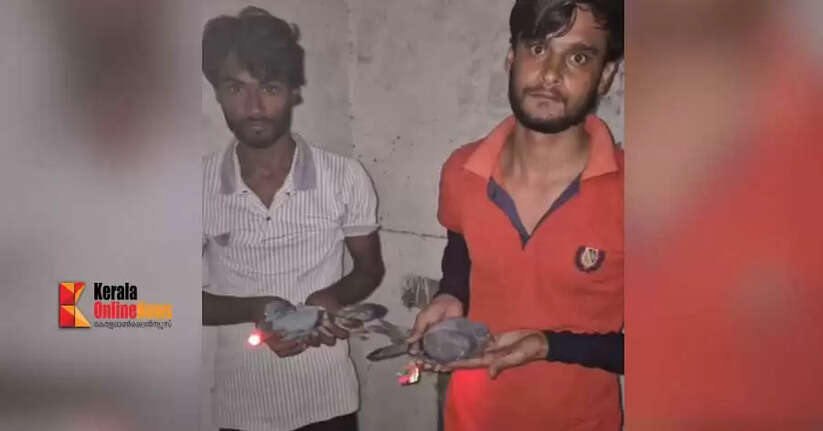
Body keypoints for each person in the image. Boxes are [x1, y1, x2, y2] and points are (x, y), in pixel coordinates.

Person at [407, 1, 624, 429]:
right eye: (538, 49)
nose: (550, 74)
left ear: (605, 76)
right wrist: (451, 293)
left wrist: (549, 345)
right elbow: (461, 242)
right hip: (468, 419)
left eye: (578, 57)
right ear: (512, 57)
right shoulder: (463, 169)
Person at [201, 7, 384, 431]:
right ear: (217, 93)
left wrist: (329, 296)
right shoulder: (194, 186)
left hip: (328, 400)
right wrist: (256, 308)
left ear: (293, 92)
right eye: (236, 87)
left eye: (269, 87)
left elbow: (370, 270)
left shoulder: (344, 177)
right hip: (241, 404)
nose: (254, 107)